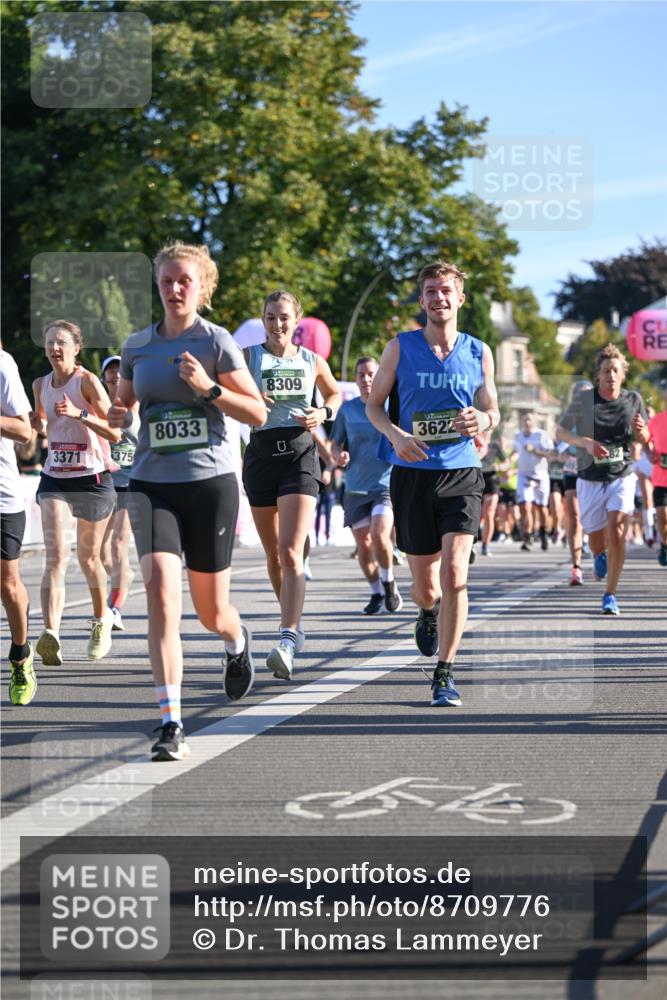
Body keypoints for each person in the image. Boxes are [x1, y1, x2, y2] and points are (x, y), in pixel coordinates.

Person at [108, 242, 266, 761]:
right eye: (166, 281)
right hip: (152, 484)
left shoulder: (216, 342)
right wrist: (116, 414)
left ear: (202, 287)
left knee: (209, 612)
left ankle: (235, 639)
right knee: (160, 596)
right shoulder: (137, 345)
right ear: (157, 285)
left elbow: (258, 414)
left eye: (184, 281)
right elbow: (125, 406)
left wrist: (208, 388)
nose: (174, 289)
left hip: (209, 485)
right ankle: (171, 723)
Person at [367, 260, 499, 707]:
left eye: (446, 291)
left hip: (462, 471)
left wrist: (484, 420)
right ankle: (427, 611)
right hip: (412, 474)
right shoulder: (399, 348)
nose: (438, 298)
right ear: (422, 300)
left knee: (456, 572)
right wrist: (396, 435)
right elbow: (374, 406)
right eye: (430, 291)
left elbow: (492, 409)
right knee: (427, 587)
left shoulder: (479, 351)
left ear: (460, 298)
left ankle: (445, 671)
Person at [242, 290, 340, 680]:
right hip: (261, 456)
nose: (277, 324)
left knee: (290, 551)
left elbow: (334, 392)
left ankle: (286, 637)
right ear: (263, 320)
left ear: (296, 320)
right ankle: (292, 622)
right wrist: (249, 396)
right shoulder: (248, 357)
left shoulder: (311, 360)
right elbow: (220, 391)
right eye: (270, 317)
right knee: (274, 556)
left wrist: (324, 412)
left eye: (284, 317)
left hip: (300, 457)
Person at [31, 320, 121, 666]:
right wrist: (36, 425)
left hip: (92, 479)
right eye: (50, 343)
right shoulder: (40, 384)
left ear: (76, 348)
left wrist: (80, 414)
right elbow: (44, 423)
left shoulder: (87, 382)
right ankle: (50, 633)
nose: (55, 348)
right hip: (55, 477)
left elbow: (114, 432)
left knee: (88, 559)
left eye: (61, 343)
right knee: (56, 556)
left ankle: (101, 621)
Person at [556, 343, 650, 615]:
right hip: (590, 477)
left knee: (618, 532)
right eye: (606, 370)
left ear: (623, 374)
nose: (611, 375)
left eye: (616, 370)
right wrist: (585, 442)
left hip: (622, 474)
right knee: (597, 540)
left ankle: (610, 595)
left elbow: (645, 439)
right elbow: (560, 432)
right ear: (598, 375)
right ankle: (598, 554)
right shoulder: (584, 401)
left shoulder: (634, 400)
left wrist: (641, 433)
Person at [331, 356, 402, 615]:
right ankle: (376, 592)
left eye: (371, 374)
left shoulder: (390, 406)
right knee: (363, 545)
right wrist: (339, 455)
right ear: (356, 378)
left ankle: (389, 581)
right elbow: (335, 443)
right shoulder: (347, 410)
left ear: (379, 375)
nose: (366, 379)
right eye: (361, 375)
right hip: (355, 486)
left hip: (385, 483)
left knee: (380, 535)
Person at [1, 343, 37, 705]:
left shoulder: (3, 365)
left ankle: (21, 654)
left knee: (8, 584)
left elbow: (24, 431)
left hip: (2, 497)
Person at [100, 355, 141, 630]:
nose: (115, 375)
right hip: (103, 485)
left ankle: (114, 608)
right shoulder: (97, 405)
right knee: (99, 552)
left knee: (118, 544)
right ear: (103, 377)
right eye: (110, 371)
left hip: (131, 485)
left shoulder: (141, 405)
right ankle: (123, 576)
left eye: (119, 370)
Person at [511, 413, 553, 551]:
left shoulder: (542, 435)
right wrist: (509, 460)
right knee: (525, 507)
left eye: (529, 420)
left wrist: (534, 450)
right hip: (524, 474)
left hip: (540, 475)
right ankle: (527, 537)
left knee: (542, 509)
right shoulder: (518, 436)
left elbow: (550, 454)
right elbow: (514, 452)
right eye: (525, 419)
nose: (527, 422)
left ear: (534, 421)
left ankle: (543, 533)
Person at [647, 383, 667, 566]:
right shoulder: (656, 421)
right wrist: (650, 453)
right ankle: (665, 544)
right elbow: (647, 442)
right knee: (662, 516)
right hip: (661, 479)